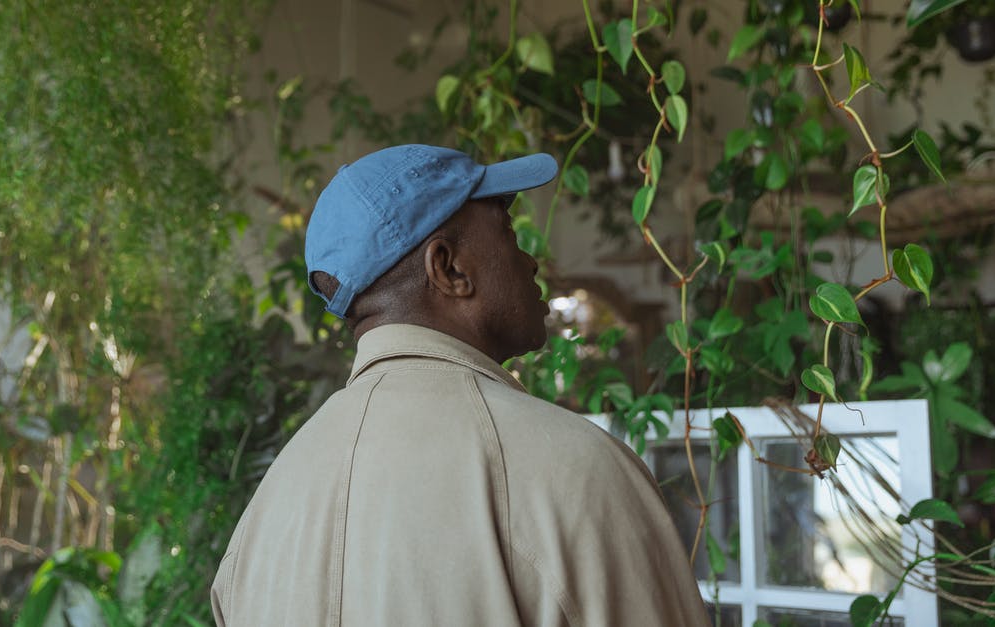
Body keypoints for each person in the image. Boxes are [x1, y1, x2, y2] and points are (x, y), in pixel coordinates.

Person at [211, 144, 710, 626]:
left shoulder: (263, 518)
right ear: (447, 268)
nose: (531, 260)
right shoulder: (574, 472)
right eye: (508, 231)